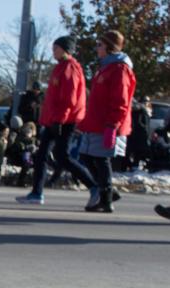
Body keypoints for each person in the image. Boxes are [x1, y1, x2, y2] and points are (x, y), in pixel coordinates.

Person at [17, 36, 94, 206]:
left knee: (62, 157)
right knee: (42, 155)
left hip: (65, 120)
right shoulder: (60, 67)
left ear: (66, 49)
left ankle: (94, 186)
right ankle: (37, 193)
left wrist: (59, 120)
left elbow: (69, 98)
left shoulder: (70, 68)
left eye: (56, 48)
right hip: (55, 120)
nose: (53, 51)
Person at [78, 30, 136, 213]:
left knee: (101, 159)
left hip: (107, 123)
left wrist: (113, 123)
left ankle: (107, 198)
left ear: (110, 47)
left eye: (100, 45)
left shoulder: (120, 69)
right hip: (95, 122)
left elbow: (121, 99)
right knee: (86, 156)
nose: (97, 48)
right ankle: (108, 192)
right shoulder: (105, 67)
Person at [124, 96, 151, 172]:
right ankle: (132, 166)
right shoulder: (142, 110)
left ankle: (129, 165)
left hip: (136, 133)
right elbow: (140, 123)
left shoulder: (142, 109)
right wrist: (143, 129)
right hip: (139, 134)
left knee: (132, 151)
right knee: (137, 151)